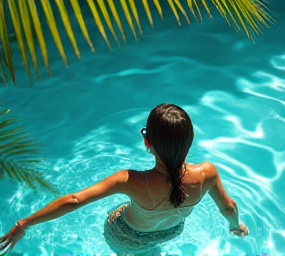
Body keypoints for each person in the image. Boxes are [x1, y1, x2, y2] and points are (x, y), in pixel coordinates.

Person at [0, 103, 248, 255]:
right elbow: (229, 207)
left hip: (126, 235)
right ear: (191, 138)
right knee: (151, 249)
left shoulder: (130, 180)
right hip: (171, 231)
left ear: (146, 142)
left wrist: (23, 224)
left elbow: (75, 200)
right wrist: (235, 226)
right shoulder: (207, 173)